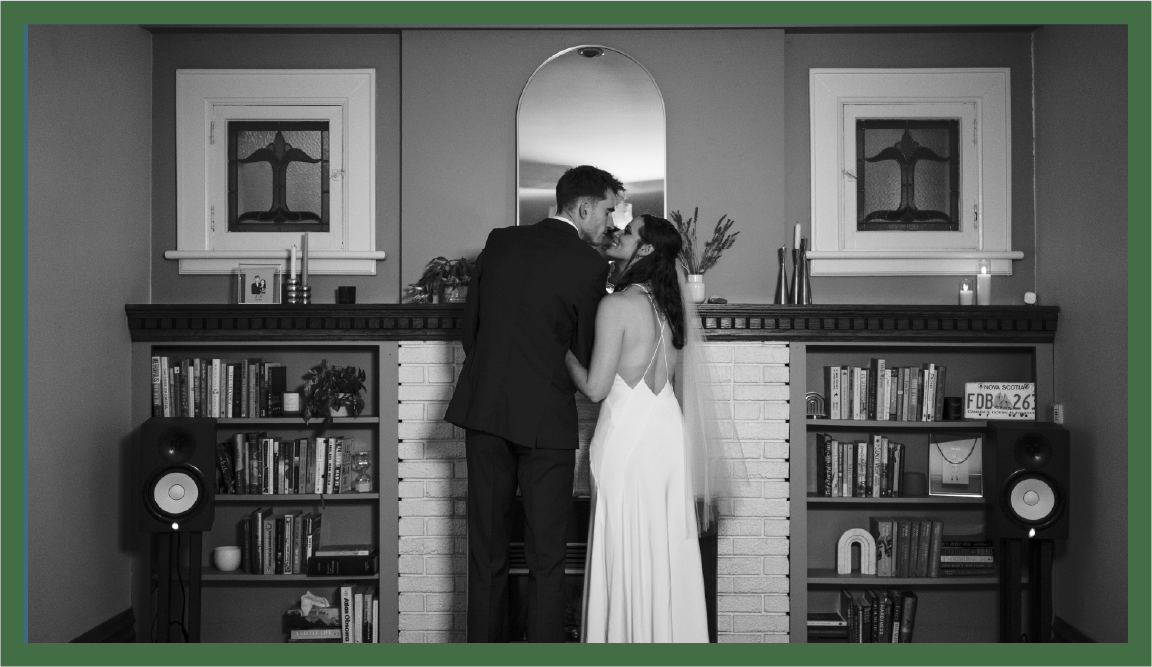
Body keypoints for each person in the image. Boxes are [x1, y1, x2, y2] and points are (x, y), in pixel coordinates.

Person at [445, 165, 624, 642]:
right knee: (546, 556)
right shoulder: (590, 266)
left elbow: (471, 331)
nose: (611, 222)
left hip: (485, 412)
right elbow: (586, 352)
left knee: (486, 551)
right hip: (545, 421)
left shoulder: (500, 241)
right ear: (583, 208)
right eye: (608, 210)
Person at [564, 214, 711, 643]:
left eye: (628, 232)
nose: (619, 233)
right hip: (666, 434)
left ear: (644, 250)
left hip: (628, 440)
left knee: (623, 543)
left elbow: (594, 388)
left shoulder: (618, 305)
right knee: (665, 546)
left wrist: (561, 353)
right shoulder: (669, 307)